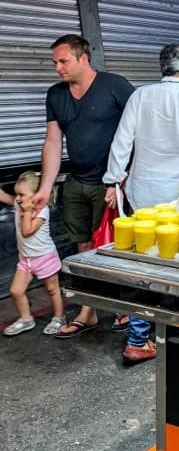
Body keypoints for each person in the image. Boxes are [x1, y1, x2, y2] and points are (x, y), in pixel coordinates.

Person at [103, 43, 179, 363]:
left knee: (145, 267)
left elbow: (122, 141)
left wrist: (114, 179)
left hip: (142, 193)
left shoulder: (140, 96)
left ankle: (139, 338)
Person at [29, 34, 134, 339]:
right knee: (83, 248)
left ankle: (121, 306)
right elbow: (52, 142)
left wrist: (120, 180)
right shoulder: (56, 95)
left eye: (64, 61)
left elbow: (138, 130)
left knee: (113, 247)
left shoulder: (114, 85)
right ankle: (88, 310)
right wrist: (46, 188)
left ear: (83, 59)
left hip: (111, 183)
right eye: (55, 63)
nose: (58, 68)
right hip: (76, 181)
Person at [3, 171, 66, 337]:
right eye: (17, 194)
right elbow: (7, 199)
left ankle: (59, 317)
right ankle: (26, 318)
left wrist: (27, 212)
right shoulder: (21, 205)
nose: (17, 198)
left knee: (52, 290)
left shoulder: (41, 211)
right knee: (16, 291)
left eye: (21, 194)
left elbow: (26, 231)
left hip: (45, 257)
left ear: (36, 195)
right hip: (26, 259)